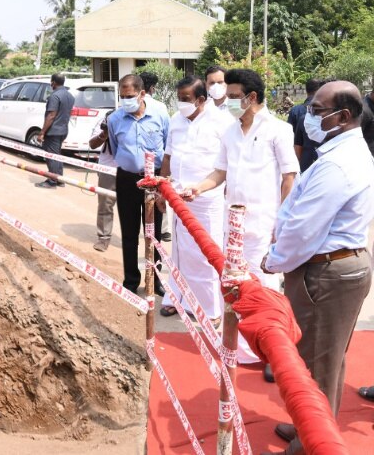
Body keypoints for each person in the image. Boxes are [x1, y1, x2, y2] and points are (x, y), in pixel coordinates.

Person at [262, 81, 374, 455]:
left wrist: (274, 259)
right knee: (322, 356)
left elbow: (304, 228)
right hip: (332, 267)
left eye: (316, 110)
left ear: (343, 117)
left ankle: (311, 444)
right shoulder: (342, 152)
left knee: (318, 364)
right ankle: (304, 429)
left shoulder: (340, 163)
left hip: (327, 271)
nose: (308, 115)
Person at [184, 68, 299, 364]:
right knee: (234, 284)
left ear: (251, 97)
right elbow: (220, 172)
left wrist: (281, 221)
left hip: (265, 223)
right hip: (233, 223)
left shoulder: (278, 130)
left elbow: (289, 177)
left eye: (234, 97)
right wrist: (197, 188)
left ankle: (273, 351)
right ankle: (238, 348)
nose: (230, 102)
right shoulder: (230, 131)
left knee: (264, 286)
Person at [159, 76, 232, 324]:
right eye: (178, 98)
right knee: (179, 251)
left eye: (186, 99)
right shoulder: (175, 121)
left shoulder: (222, 122)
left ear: (201, 100)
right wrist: (162, 188)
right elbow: (168, 156)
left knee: (205, 255)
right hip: (177, 197)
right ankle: (175, 298)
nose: (181, 103)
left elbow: (229, 163)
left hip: (206, 200)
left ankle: (209, 310)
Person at [108, 74, 169, 296]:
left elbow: (168, 147)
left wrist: (163, 180)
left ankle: (155, 280)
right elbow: (115, 150)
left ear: (142, 94)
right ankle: (131, 281)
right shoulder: (115, 119)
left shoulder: (160, 115)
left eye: (130, 96)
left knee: (153, 234)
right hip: (127, 179)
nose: (125, 100)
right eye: (122, 96)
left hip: (154, 181)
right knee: (129, 232)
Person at [140, 71, 172, 241]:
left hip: (135, 166)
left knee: (144, 205)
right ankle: (158, 236)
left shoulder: (127, 106)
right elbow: (168, 136)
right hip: (157, 165)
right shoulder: (161, 107)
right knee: (157, 201)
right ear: (152, 88)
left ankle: (150, 236)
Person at [35, 73, 75, 189]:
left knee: (51, 156)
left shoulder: (55, 96)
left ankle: (52, 181)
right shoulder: (70, 96)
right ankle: (59, 179)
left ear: (53, 82)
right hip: (63, 129)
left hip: (53, 131)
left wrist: (42, 132)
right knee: (57, 155)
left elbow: (51, 115)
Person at [88, 110, 117, 252]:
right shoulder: (106, 118)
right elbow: (92, 144)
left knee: (131, 208)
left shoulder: (133, 121)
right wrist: (104, 134)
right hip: (108, 169)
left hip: (130, 170)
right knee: (105, 205)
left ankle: (132, 240)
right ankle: (104, 237)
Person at [289, 79, 325, 173]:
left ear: (306, 90)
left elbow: (292, 140)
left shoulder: (295, 111)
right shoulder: (328, 113)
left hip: (303, 162)